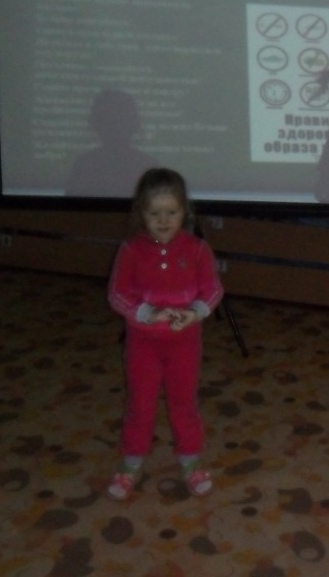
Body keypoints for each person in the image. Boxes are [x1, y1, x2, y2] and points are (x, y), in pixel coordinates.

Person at [106, 167, 224, 500]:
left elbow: (213, 290)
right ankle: (131, 463)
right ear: (141, 213)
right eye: (154, 213)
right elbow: (117, 294)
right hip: (142, 343)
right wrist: (146, 313)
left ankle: (190, 460)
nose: (163, 221)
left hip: (184, 344)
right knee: (140, 403)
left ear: (184, 211)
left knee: (183, 402)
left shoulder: (197, 249)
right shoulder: (131, 249)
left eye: (171, 212)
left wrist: (195, 313)